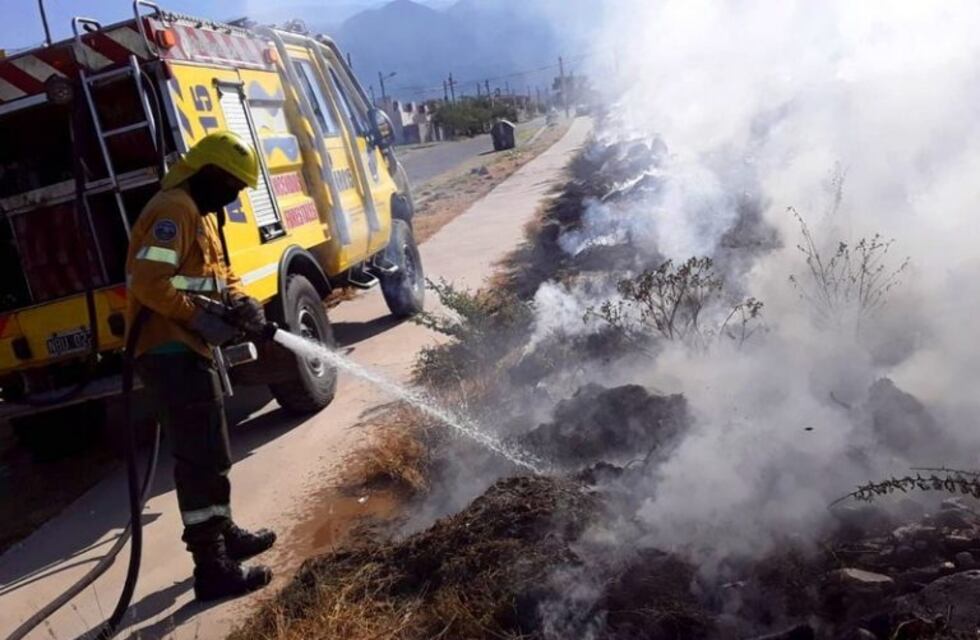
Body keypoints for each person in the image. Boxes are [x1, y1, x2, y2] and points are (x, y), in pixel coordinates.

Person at [124, 131, 275, 601]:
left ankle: (224, 533)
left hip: (187, 348)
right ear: (209, 174)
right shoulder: (174, 210)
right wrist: (198, 318)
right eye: (232, 185)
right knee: (199, 459)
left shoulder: (199, 212)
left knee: (214, 454)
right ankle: (211, 567)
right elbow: (149, 283)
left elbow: (216, 274)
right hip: (168, 351)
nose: (234, 196)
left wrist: (241, 301)